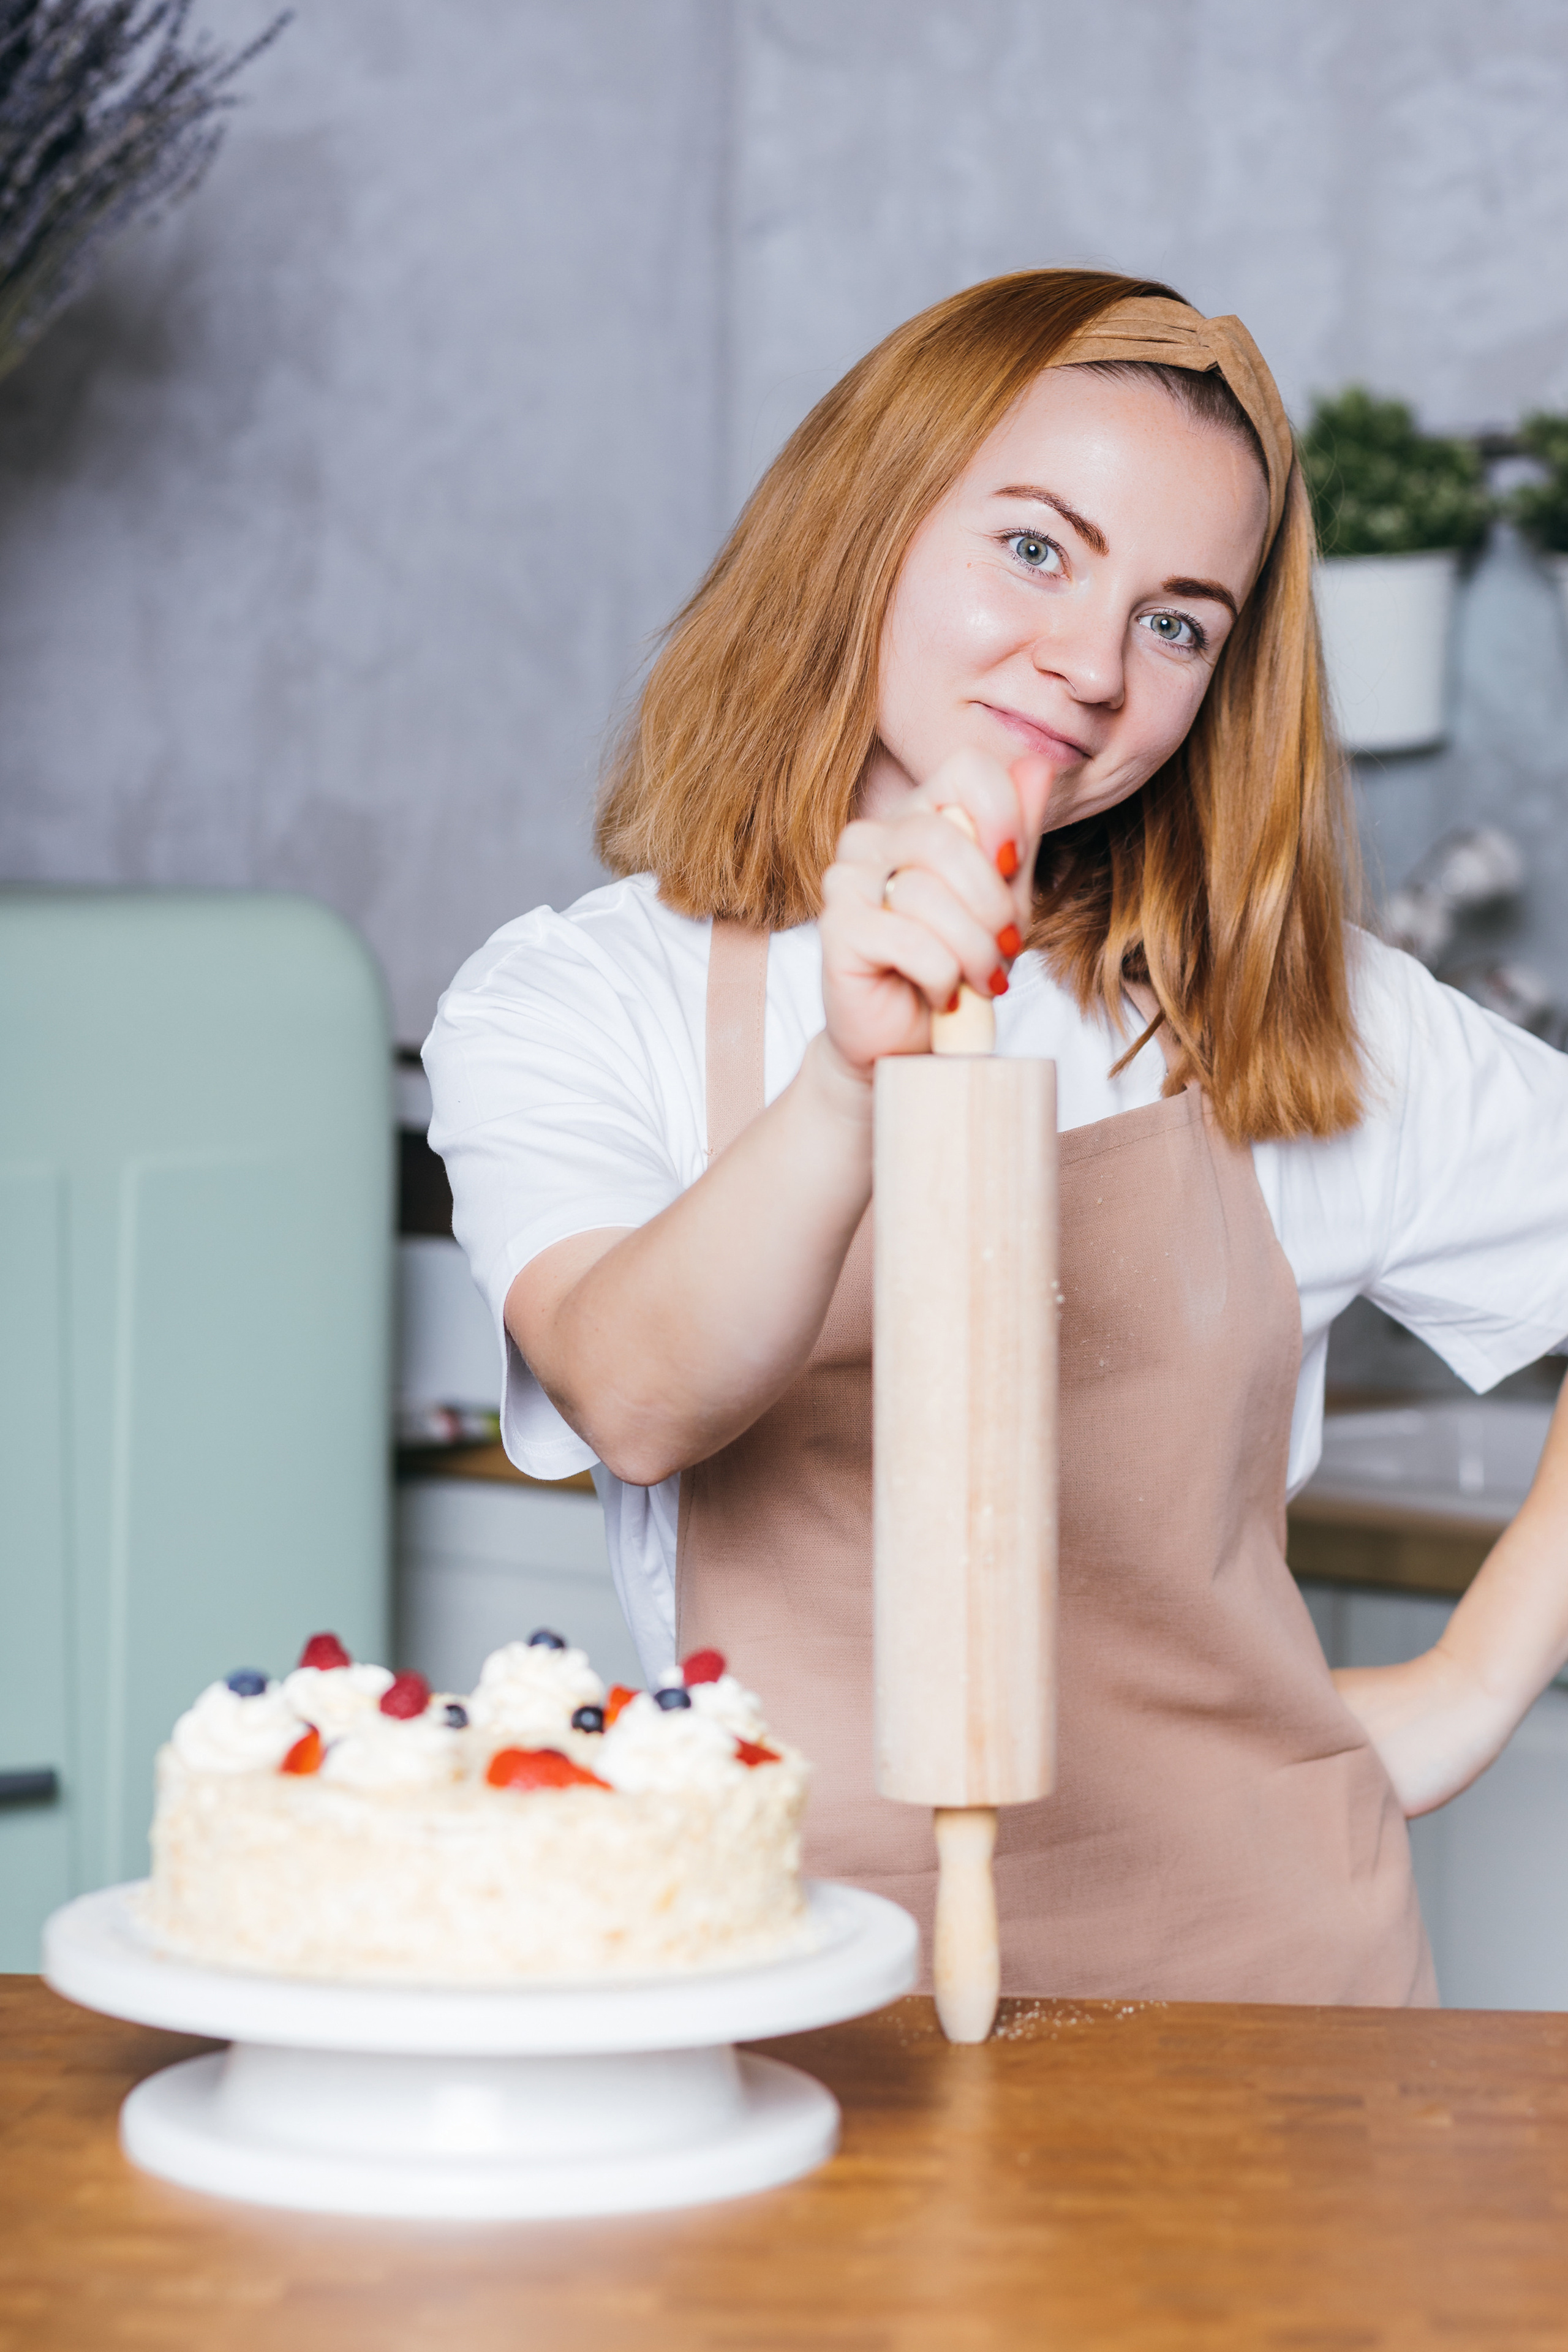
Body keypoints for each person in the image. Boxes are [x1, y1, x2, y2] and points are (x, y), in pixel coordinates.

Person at [425, 269, 1568, 2003]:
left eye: (1181, 621)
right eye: (1037, 549)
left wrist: (1476, 1680)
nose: (1095, 666)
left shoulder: (1295, 1019)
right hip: (790, 1999)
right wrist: (846, 1083)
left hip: (1273, 2021)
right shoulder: (587, 1002)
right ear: (867, 527)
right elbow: (639, 1395)